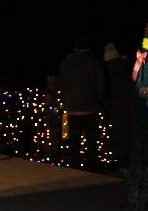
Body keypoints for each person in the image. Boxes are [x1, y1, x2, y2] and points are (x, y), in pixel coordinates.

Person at [55, 35, 108, 168]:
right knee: (92, 144)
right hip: (91, 109)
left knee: (72, 143)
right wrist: (98, 101)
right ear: (88, 48)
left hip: (70, 110)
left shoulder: (65, 64)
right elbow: (101, 86)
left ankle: (73, 168)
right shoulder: (94, 64)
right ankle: (93, 168)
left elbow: (60, 85)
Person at [102, 42, 133, 171]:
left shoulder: (106, 71)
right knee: (129, 135)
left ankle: (122, 165)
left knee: (118, 136)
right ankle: (129, 163)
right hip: (129, 106)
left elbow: (105, 91)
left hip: (115, 108)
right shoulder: (127, 68)